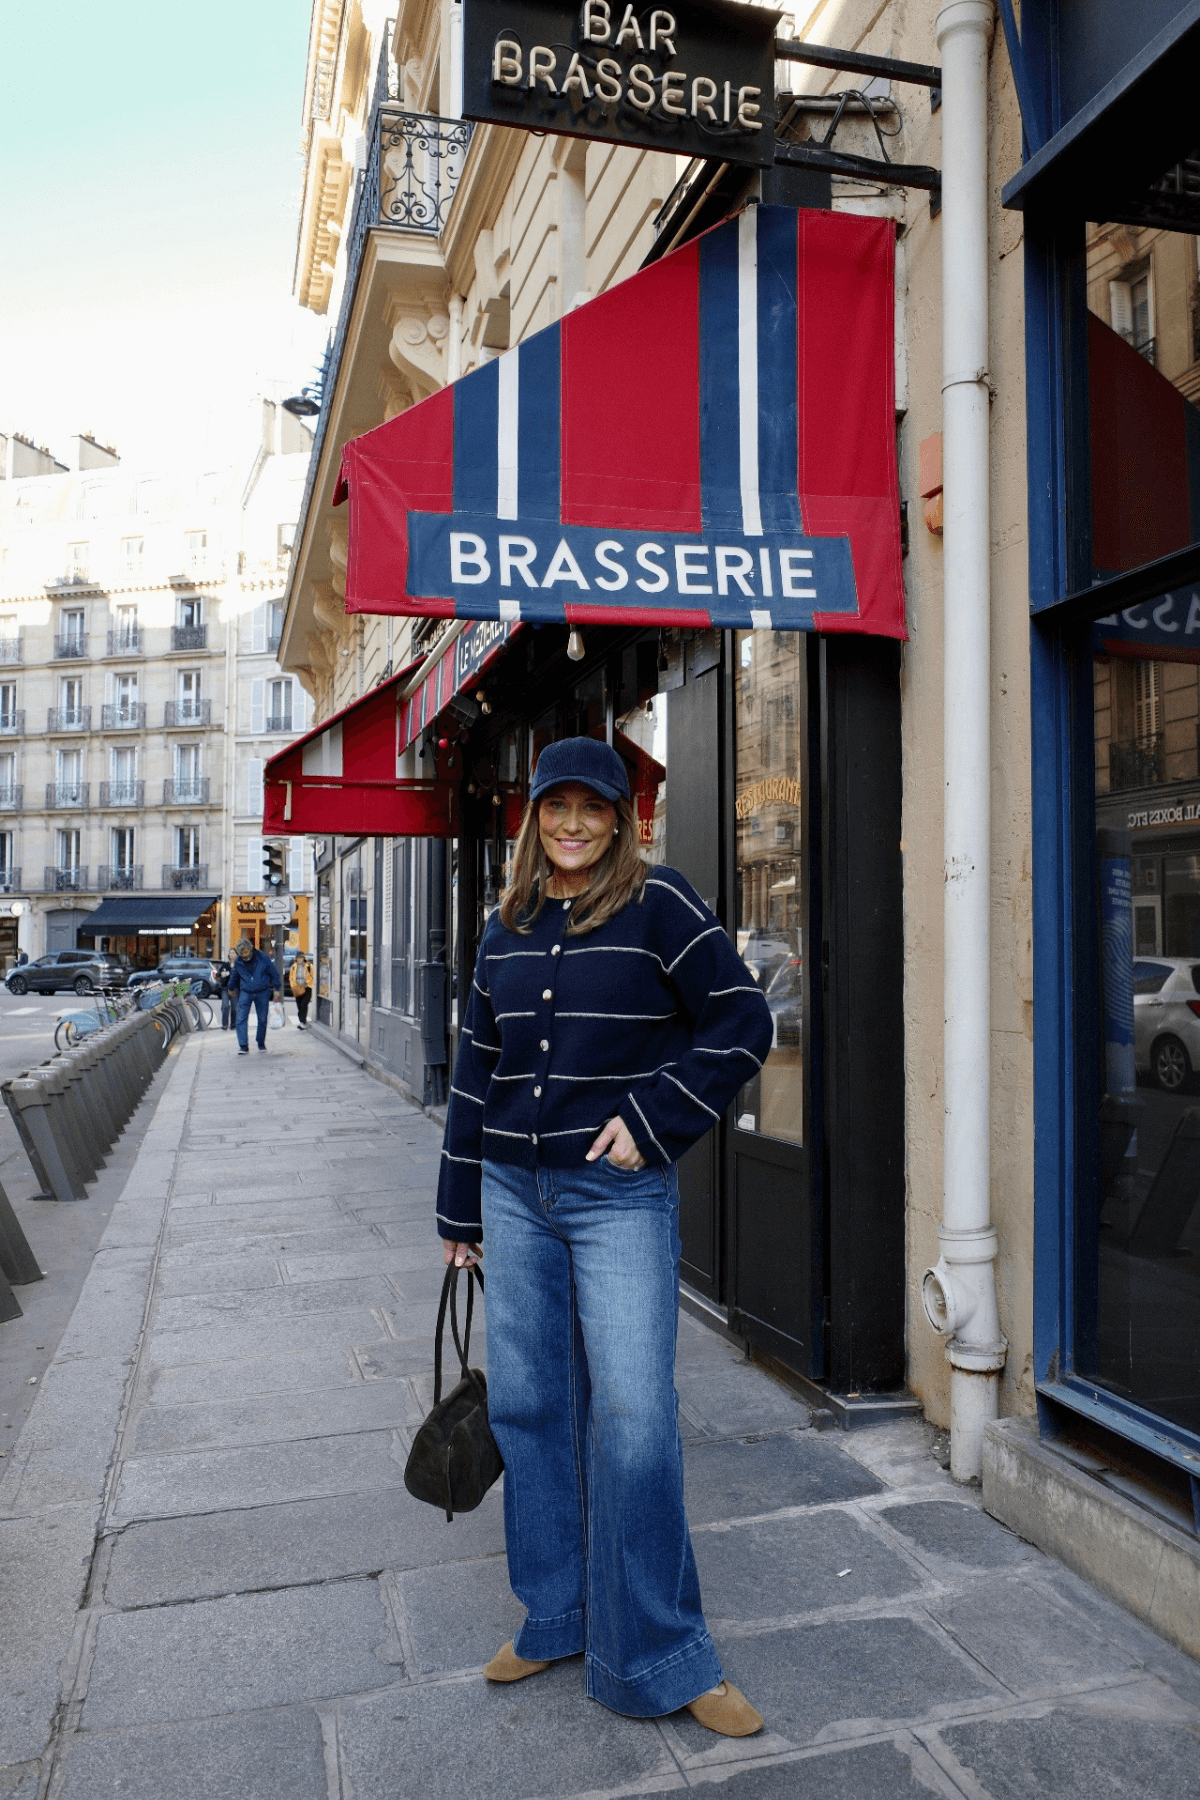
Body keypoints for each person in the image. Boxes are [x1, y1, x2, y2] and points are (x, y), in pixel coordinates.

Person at [437, 736, 773, 1736]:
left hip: (615, 1196)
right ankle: (557, 1612)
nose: (573, 824)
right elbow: (473, 1072)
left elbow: (741, 1020)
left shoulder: (660, 906)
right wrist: (458, 1211)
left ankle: (664, 1653)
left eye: (593, 808)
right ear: (533, 816)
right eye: (556, 806)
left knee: (632, 1417)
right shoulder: (505, 926)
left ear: (623, 818)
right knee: (532, 1408)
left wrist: (658, 1112)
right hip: (510, 1192)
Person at [226, 937, 280, 1054]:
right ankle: (243, 1045)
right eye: (242, 953)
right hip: (246, 991)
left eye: (246, 952)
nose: (244, 955)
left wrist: (277, 987)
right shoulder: (239, 961)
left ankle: (261, 1043)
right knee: (240, 1018)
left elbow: (273, 972)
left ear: (250, 949)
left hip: (262, 991)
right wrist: (230, 987)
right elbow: (235, 975)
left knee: (262, 1019)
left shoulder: (262, 957)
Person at [289, 951, 312, 1030]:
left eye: (301, 957)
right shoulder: (293, 967)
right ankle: (302, 1020)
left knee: (304, 1004)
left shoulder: (309, 966)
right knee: (299, 1005)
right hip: (297, 988)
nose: (299, 959)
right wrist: (294, 987)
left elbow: (313, 976)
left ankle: (303, 1022)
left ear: (304, 958)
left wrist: (309, 984)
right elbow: (291, 977)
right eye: (298, 958)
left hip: (307, 988)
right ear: (296, 958)